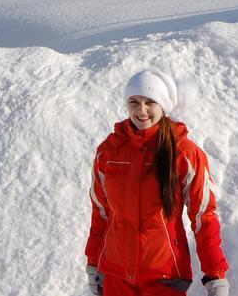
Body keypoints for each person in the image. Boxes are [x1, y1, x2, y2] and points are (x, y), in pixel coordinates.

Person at [85, 70, 230, 296]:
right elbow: (101, 213)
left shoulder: (184, 154)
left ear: (163, 106)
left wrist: (216, 275)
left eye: (150, 102)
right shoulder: (108, 152)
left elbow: (203, 216)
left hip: (164, 276)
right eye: (134, 102)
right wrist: (93, 263)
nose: (141, 110)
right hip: (116, 275)